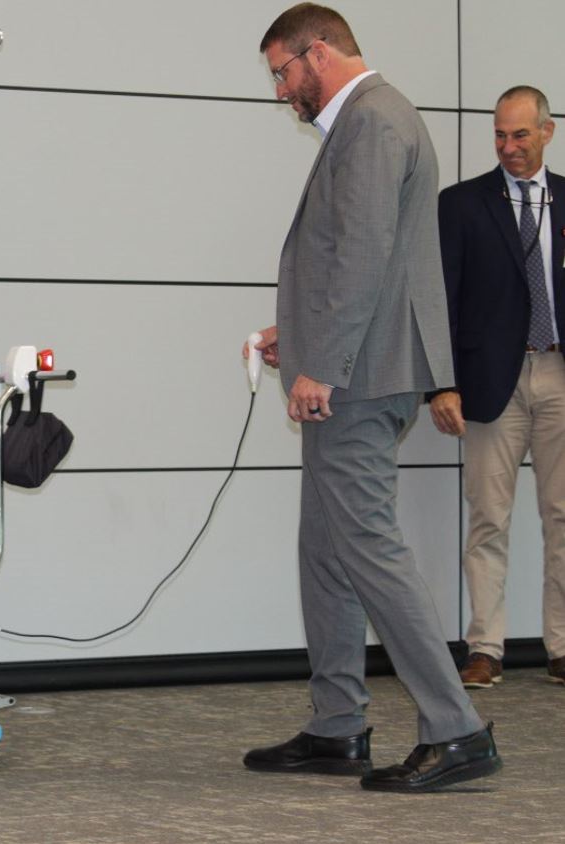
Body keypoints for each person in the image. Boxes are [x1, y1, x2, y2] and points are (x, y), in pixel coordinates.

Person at [241, 3, 501, 791]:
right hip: (355, 366)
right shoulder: (366, 123)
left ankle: (457, 729)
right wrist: (304, 339)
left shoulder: (375, 120)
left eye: (282, 72)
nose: (281, 90)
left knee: (370, 548)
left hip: (361, 378)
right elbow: (364, 260)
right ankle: (337, 725)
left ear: (318, 53)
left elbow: (361, 250)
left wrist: (327, 361)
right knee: (325, 549)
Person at [431, 85, 565, 689]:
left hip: (559, 373)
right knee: (489, 517)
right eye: (500, 135)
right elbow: (441, 303)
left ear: (547, 132)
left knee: (563, 516)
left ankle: (562, 648)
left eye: (520, 135)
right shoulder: (461, 204)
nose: (509, 147)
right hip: (490, 383)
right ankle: (485, 647)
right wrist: (442, 385)